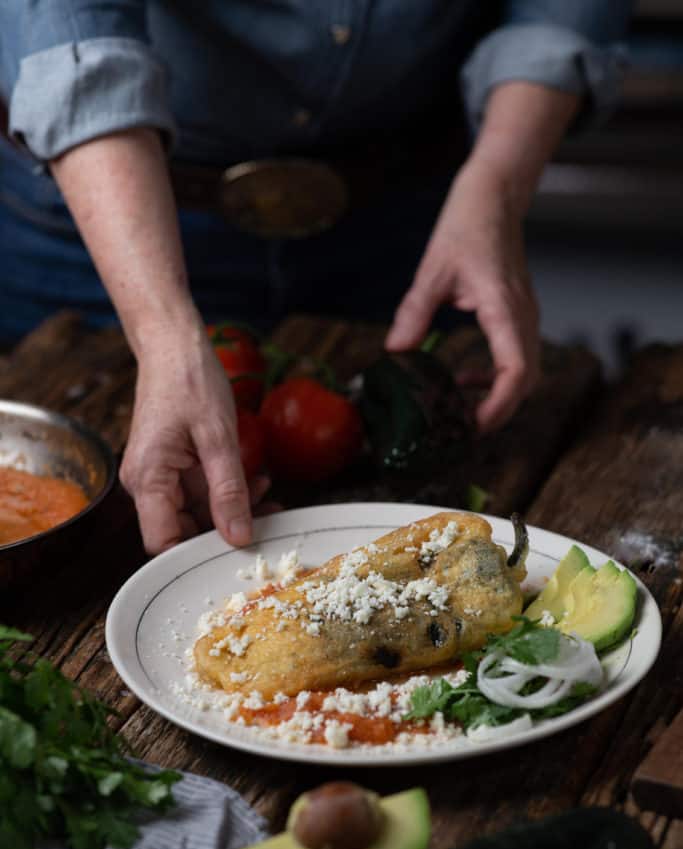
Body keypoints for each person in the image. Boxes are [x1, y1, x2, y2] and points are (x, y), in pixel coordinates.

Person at [0, 2, 632, 554]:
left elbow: (559, 14)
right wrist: (163, 331)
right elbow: (68, 23)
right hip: (113, 216)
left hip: (412, 211)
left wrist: (496, 184)